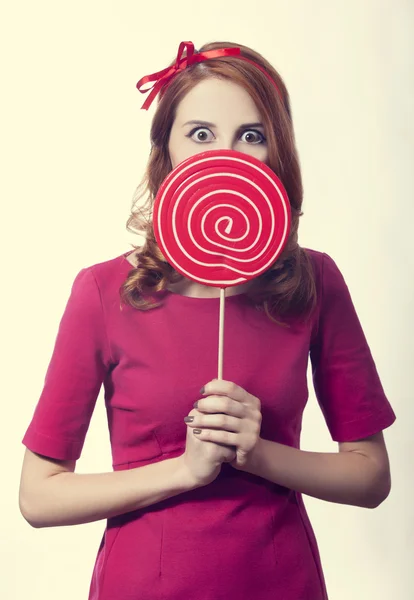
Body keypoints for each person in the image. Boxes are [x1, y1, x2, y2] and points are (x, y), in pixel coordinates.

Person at [19, 40, 396, 600]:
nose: (226, 154)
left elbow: (370, 477)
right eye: (200, 134)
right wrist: (184, 469)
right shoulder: (102, 291)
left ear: (277, 150)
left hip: (281, 583)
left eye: (252, 135)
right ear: (165, 150)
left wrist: (260, 453)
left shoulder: (314, 281)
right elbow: (39, 496)